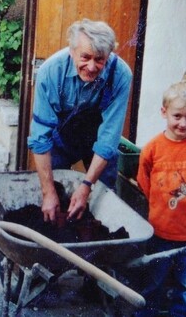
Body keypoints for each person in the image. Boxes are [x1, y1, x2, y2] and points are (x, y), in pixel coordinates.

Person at [27, 18, 132, 223]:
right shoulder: (51, 72)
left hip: (98, 140)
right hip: (61, 137)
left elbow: (108, 138)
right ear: (72, 51)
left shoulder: (120, 75)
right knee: (53, 195)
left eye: (100, 59)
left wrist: (86, 186)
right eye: (85, 57)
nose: (92, 67)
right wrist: (48, 192)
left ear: (109, 56)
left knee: (102, 198)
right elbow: (40, 137)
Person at [135, 80, 186, 317]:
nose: (183, 123)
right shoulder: (152, 149)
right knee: (153, 282)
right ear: (164, 112)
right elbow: (144, 181)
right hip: (159, 231)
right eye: (177, 116)